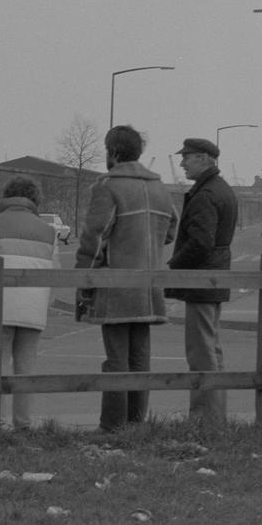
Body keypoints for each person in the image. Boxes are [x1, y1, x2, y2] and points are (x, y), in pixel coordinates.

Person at [75, 125, 177, 432]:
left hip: (117, 286)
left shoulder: (108, 186)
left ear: (113, 152)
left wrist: (85, 282)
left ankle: (112, 426)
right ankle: (136, 423)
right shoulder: (159, 188)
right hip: (149, 287)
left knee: (116, 360)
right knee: (140, 358)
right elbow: (171, 230)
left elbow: (94, 238)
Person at [0, 175, 56, 430]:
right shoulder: (48, 231)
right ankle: (23, 424)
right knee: (26, 369)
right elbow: (55, 270)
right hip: (34, 308)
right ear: (35, 199)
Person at [166, 137, 238, 425]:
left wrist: (174, 265)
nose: (182, 162)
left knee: (201, 352)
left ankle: (204, 419)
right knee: (211, 348)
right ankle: (214, 416)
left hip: (202, 280)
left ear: (206, 158)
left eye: (189, 156)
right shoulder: (221, 190)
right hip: (214, 276)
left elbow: (200, 243)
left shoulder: (206, 194)